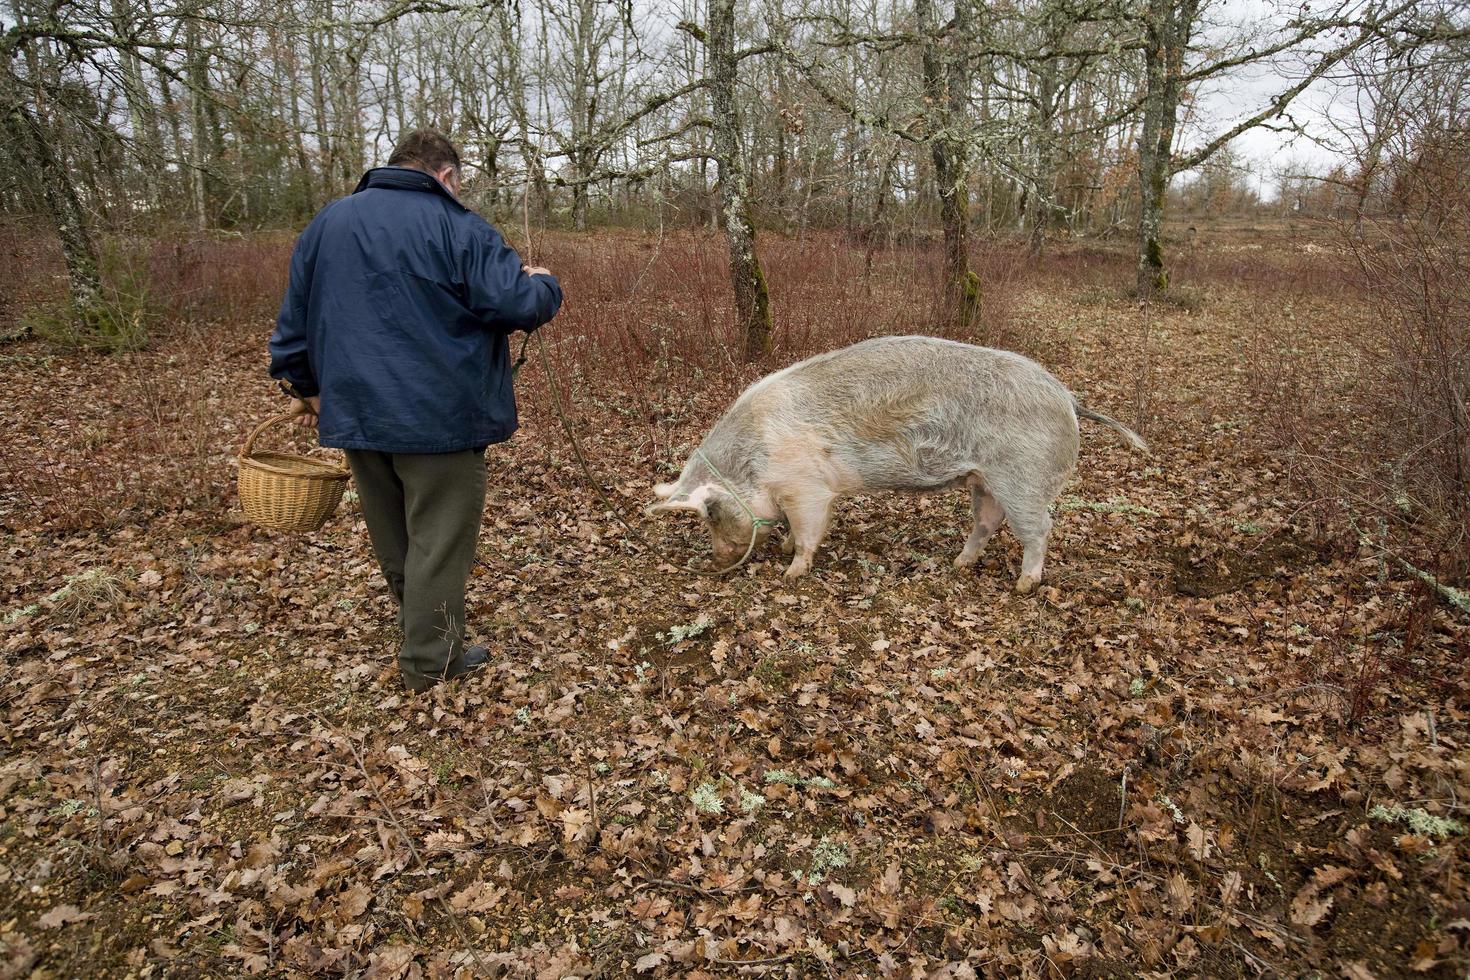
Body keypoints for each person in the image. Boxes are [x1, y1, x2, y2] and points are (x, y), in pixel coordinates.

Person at [267, 129, 562, 692]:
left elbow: (293, 323)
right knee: (438, 535)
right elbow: (515, 303)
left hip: (357, 412)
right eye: (460, 182)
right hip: (440, 417)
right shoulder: (461, 228)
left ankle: (419, 628)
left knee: (394, 530)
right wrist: (545, 284)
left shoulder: (327, 224)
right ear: (446, 176)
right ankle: (431, 661)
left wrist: (303, 386)